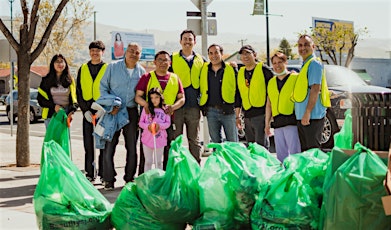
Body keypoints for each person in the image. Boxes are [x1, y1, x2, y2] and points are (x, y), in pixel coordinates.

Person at [99, 42, 146, 190]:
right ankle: (108, 179)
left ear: (140, 55)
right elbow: (103, 88)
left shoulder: (142, 72)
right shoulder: (112, 67)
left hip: (131, 112)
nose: (133, 54)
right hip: (113, 111)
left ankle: (129, 178)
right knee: (109, 146)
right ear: (125, 52)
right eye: (131, 51)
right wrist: (110, 105)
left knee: (131, 147)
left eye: (137, 52)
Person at [135, 50, 185, 171]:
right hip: (149, 122)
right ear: (155, 62)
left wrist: (173, 107)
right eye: (160, 60)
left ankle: (165, 178)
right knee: (146, 155)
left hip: (167, 121)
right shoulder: (147, 77)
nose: (163, 63)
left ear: (170, 62)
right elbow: (137, 96)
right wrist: (146, 105)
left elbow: (182, 98)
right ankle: (145, 179)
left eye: (166, 60)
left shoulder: (175, 78)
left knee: (168, 152)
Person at [169, 29, 204, 164]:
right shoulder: (172, 59)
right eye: (185, 39)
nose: (188, 42)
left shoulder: (201, 60)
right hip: (176, 106)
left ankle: (196, 167)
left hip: (194, 107)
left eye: (190, 39)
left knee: (194, 140)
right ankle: (176, 168)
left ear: (194, 42)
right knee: (176, 139)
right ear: (180, 41)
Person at [76, 40, 107, 182]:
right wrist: (84, 111)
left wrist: (104, 109)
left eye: (97, 51)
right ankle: (90, 173)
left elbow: (111, 89)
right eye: (92, 51)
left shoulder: (108, 68)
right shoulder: (82, 68)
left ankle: (102, 173)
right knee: (88, 145)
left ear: (102, 52)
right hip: (88, 111)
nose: (95, 53)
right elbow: (78, 91)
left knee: (103, 145)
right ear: (89, 52)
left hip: (102, 111)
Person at [292, 34, 330, 151]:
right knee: (306, 151)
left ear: (313, 46)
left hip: (311, 116)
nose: (303, 48)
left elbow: (315, 89)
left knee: (312, 152)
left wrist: (307, 112)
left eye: (306, 45)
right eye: (300, 45)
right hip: (303, 116)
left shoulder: (314, 64)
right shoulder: (305, 64)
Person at [199, 44, 240, 143]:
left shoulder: (231, 68)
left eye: (216, 52)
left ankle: (233, 159)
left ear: (222, 53)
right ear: (208, 55)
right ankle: (218, 159)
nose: (214, 56)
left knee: (233, 142)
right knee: (216, 143)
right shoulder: (204, 68)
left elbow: (237, 91)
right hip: (211, 112)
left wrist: (237, 113)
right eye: (211, 53)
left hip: (228, 111)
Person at [265, 52, 301, 162]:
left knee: (295, 155)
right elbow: (269, 104)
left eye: (280, 62)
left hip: (291, 121)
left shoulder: (295, 78)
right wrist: (267, 124)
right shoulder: (271, 82)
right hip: (277, 123)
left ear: (286, 62)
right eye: (274, 63)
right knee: (281, 157)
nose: (277, 65)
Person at [236, 45, 273, 148]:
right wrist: (237, 116)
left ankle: (264, 164)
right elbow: (238, 96)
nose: (245, 56)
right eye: (243, 54)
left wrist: (270, 116)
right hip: (247, 115)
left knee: (261, 147)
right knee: (251, 147)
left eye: (248, 53)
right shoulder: (241, 72)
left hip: (261, 114)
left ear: (254, 55)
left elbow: (274, 89)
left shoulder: (263, 69)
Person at [38, 54, 78, 128]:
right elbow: (41, 100)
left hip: (66, 114)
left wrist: (72, 111)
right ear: (52, 64)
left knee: (65, 139)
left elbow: (75, 98)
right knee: (52, 139)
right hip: (51, 114)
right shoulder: (46, 80)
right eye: (57, 62)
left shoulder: (70, 80)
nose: (60, 64)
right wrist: (54, 107)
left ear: (65, 64)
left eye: (62, 61)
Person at [139, 87, 171, 172]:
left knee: (159, 162)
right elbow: (141, 123)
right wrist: (148, 126)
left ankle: (159, 180)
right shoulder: (146, 109)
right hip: (147, 139)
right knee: (148, 161)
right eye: (152, 98)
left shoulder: (165, 109)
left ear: (160, 97)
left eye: (156, 97)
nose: (154, 100)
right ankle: (148, 180)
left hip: (160, 139)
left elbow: (168, 123)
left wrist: (159, 126)